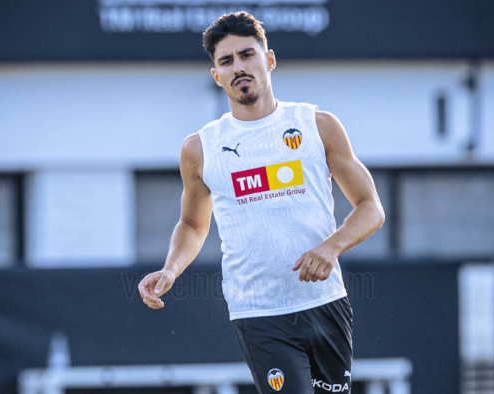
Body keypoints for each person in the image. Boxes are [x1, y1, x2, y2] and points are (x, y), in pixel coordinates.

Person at [138, 11, 385, 394]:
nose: (238, 67)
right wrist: (171, 270)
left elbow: (370, 206)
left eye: (247, 55)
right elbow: (192, 225)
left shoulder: (317, 125)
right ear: (216, 76)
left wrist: (330, 248)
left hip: (326, 303)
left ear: (269, 60)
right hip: (260, 314)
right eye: (226, 61)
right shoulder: (200, 148)